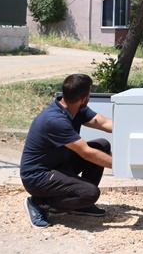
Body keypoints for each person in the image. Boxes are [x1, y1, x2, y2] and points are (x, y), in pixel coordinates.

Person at [19, 73, 113, 228]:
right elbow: (86, 153)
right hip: (38, 177)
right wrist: (121, 165)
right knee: (90, 193)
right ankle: (38, 203)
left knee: (102, 145)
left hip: (58, 164)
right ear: (84, 98)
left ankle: (80, 205)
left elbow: (105, 124)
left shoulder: (77, 109)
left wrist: (135, 129)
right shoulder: (55, 120)